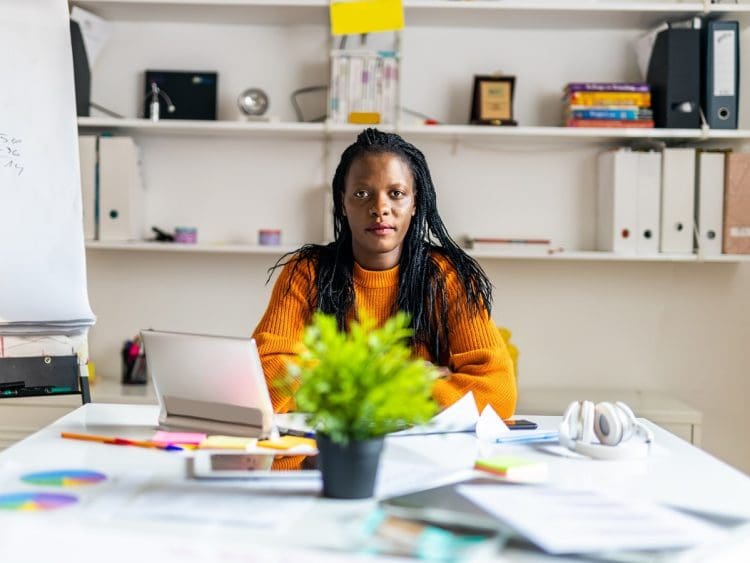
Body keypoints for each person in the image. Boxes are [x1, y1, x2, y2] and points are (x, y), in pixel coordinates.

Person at [253, 128, 516, 418]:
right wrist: (403, 377)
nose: (380, 208)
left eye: (396, 194)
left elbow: (498, 394)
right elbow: (266, 377)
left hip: (423, 454)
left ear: (415, 202)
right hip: (324, 451)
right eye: (362, 193)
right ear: (343, 203)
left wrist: (331, 379)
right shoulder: (306, 272)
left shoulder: (446, 277)